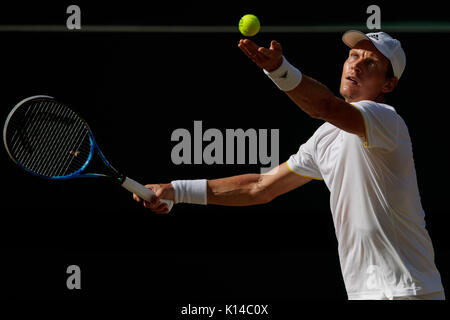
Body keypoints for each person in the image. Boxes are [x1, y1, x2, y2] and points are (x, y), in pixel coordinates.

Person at [133, 30, 445, 300]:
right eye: (353, 56)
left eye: (371, 64)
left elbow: (324, 106)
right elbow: (260, 188)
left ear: (388, 85)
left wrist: (280, 69)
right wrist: (174, 190)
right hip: (364, 290)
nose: (357, 66)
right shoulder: (324, 138)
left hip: (410, 289)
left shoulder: (386, 119)